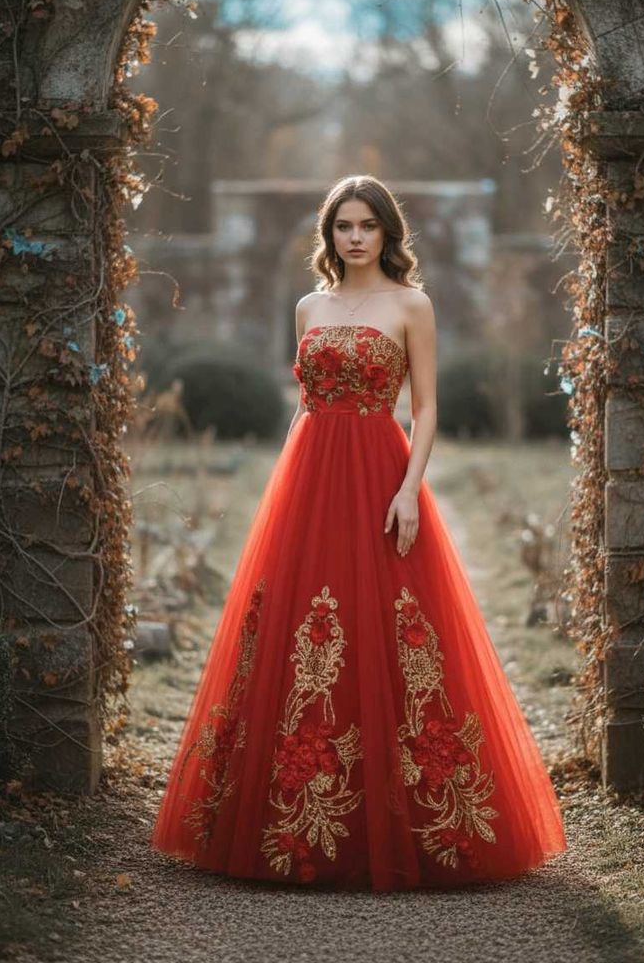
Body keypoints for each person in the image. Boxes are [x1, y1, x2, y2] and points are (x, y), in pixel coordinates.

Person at [150, 174, 567, 892]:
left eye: (367, 225)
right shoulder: (308, 306)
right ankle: (286, 816)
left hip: (379, 472)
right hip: (310, 477)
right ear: (329, 234)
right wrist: (283, 488)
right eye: (343, 225)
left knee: (394, 626)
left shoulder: (412, 304)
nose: (354, 237)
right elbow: (304, 407)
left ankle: (410, 818)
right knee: (294, 627)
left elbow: (427, 408)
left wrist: (410, 490)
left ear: (386, 234)